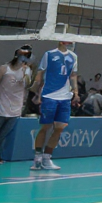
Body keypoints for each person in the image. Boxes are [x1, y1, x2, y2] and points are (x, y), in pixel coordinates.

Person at [30, 41, 77, 170]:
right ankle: (37, 158)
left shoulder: (73, 56)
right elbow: (40, 73)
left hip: (65, 97)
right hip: (49, 95)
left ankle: (47, 158)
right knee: (45, 126)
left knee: (60, 128)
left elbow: (73, 75)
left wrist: (76, 92)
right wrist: (37, 93)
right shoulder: (49, 54)